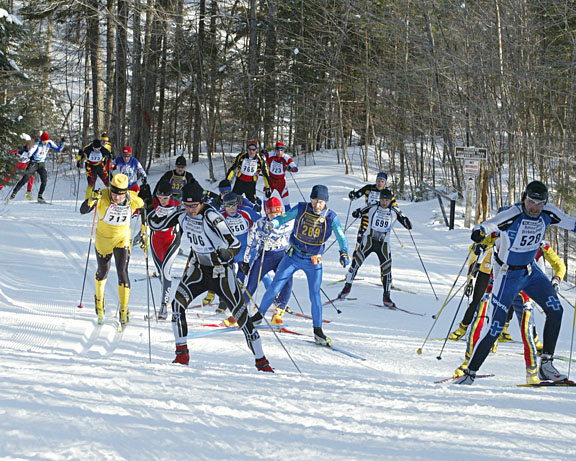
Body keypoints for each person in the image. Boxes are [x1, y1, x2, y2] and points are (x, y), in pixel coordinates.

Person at [454, 181, 576, 385]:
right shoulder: (514, 214)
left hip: (531, 272)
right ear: (524, 198)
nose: (534, 207)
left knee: (556, 310)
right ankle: (470, 372)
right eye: (530, 201)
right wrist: (479, 231)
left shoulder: (548, 212)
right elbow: (490, 223)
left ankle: (546, 364)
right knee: (496, 327)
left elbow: (570, 222)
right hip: (506, 275)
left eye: (539, 203)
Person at [147, 181, 274, 372]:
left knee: (241, 316)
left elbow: (235, 244)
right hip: (199, 270)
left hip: (221, 272)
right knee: (177, 304)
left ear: (201, 203)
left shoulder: (212, 216)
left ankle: (262, 362)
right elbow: (156, 224)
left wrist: (228, 254)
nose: (190, 210)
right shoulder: (182, 213)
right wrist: (148, 204)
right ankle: (182, 354)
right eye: (187, 205)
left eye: (194, 206)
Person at [454, 240, 565, 385]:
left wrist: (557, 279)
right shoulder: (506, 235)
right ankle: (468, 365)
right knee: (487, 322)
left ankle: (532, 372)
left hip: (527, 289)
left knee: (527, 330)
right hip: (502, 283)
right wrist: (475, 270)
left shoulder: (541, 244)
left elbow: (559, 265)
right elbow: (485, 250)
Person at [252, 185, 349, 346]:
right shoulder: (302, 208)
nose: (318, 205)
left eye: (321, 202)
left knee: (314, 294)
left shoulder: (331, 217)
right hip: (293, 255)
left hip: (313, 260)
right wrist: (273, 224)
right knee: (275, 286)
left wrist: (343, 252)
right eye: (315, 201)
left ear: (326, 202)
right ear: (310, 199)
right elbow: (283, 217)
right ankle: (258, 316)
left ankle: (318, 330)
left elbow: (340, 235)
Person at [79, 174, 145, 328]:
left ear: (125, 192)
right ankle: (99, 305)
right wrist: (91, 199)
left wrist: (146, 199)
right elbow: (83, 210)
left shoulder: (131, 198)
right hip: (103, 240)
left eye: (120, 194)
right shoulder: (102, 196)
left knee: (122, 271)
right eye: (114, 193)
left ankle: (123, 310)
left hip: (122, 239)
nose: (116, 197)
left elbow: (144, 206)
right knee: (103, 271)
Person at [337, 188, 412, 307]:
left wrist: (407, 223)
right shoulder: (373, 206)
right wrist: (357, 213)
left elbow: (406, 223)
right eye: (382, 199)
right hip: (369, 241)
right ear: (380, 198)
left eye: (386, 200)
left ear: (390, 200)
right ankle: (347, 287)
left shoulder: (395, 211)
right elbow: (358, 212)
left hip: (383, 244)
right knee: (356, 263)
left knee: (387, 270)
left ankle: (386, 297)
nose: (384, 202)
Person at [242, 196, 294, 325]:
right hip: (265, 256)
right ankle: (240, 312)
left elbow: (298, 236)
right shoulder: (260, 223)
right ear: (266, 213)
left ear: (281, 212)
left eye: (277, 213)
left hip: (282, 255)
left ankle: (279, 312)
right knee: (252, 283)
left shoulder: (289, 221)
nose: (274, 216)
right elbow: (251, 244)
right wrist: (245, 261)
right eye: (271, 213)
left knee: (287, 282)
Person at [149, 181, 182, 320]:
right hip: (156, 242)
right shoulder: (152, 203)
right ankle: (166, 297)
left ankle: (163, 306)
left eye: (165, 198)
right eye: (160, 198)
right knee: (162, 275)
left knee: (166, 272)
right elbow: (145, 218)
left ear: (170, 196)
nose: (163, 201)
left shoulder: (177, 205)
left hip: (172, 241)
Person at [10, 132, 64, 203]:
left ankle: (40, 196)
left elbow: (59, 150)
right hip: (33, 163)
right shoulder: (37, 145)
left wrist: (61, 142)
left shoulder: (49, 143)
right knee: (25, 179)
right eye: (44, 141)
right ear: (41, 140)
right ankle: (14, 193)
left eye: (46, 141)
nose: (46, 142)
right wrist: (22, 154)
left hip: (41, 164)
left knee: (44, 179)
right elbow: (29, 153)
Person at [264, 141, 298, 210]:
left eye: (281, 150)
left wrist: (291, 169)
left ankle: (288, 218)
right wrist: (262, 154)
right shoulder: (270, 155)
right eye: (278, 150)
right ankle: (267, 216)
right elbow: (260, 159)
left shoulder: (286, 157)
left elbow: (295, 168)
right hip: (270, 181)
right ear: (275, 150)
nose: (279, 152)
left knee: (286, 202)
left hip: (281, 183)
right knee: (265, 199)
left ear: (283, 151)